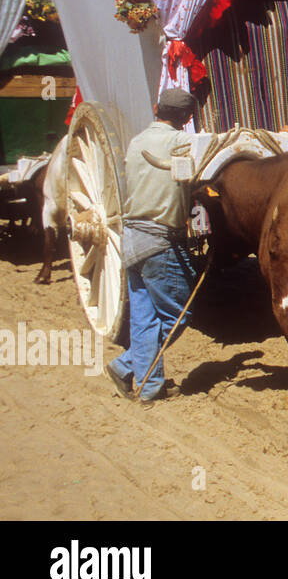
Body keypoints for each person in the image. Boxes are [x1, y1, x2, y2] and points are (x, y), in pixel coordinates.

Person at [106, 88, 199, 405]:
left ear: (156, 108)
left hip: (131, 240)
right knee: (178, 314)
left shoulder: (135, 142)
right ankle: (128, 366)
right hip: (159, 241)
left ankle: (146, 384)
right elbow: (189, 181)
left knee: (144, 317)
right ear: (186, 119)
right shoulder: (181, 143)